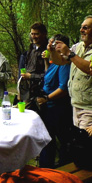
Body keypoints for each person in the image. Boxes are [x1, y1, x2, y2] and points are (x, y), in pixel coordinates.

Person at [50, 15, 92, 129]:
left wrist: (69, 53)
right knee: (78, 141)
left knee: (86, 143)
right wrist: (52, 51)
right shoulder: (78, 46)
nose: (81, 30)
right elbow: (60, 61)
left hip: (91, 108)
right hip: (76, 104)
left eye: (86, 27)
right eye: (81, 27)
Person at [36, 34, 73, 168]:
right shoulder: (55, 61)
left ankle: (63, 166)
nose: (50, 46)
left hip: (58, 107)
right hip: (49, 105)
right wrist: (47, 60)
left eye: (53, 44)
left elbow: (63, 88)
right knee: (47, 138)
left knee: (59, 138)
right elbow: (48, 76)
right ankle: (47, 167)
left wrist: (46, 98)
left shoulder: (64, 63)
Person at [18, 22, 49, 111]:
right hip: (28, 92)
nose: (33, 36)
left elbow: (49, 75)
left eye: (36, 34)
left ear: (44, 34)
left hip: (42, 94)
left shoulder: (49, 51)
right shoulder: (31, 48)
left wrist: (31, 76)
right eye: (32, 34)